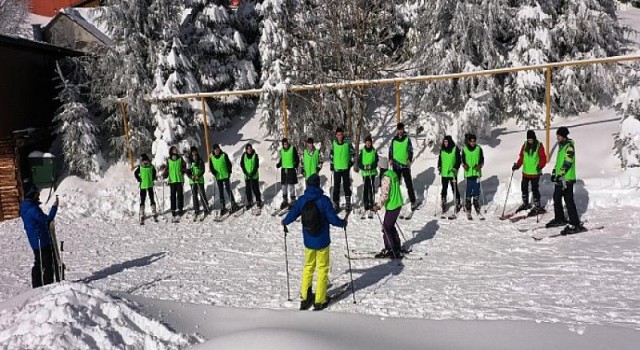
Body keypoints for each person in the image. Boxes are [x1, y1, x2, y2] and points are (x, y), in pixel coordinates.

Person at [282, 174, 347, 311]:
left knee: (308, 267)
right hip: (322, 241)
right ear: (318, 185)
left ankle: (305, 298)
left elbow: (293, 213)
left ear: (307, 185)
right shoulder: (324, 200)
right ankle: (320, 300)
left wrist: (285, 222)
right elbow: (333, 219)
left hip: (308, 241)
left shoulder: (302, 200)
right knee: (322, 269)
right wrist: (343, 223)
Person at [546, 127, 585, 233]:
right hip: (561, 178)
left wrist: (561, 174)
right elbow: (558, 163)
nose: (557, 138)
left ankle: (575, 223)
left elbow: (567, 163)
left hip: (567, 179)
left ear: (563, 136)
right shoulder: (561, 147)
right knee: (556, 197)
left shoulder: (569, 147)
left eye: (558, 136)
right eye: (557, 136)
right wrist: (554, 173)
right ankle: (560, 219)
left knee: (568, 200)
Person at [19, 186, 59, 288]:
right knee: (46, 264)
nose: (38, 196)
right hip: (41, 240)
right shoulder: (33, 209)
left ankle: (38, 285)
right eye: (37, 195)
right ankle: (47, 285)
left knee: (39, 262)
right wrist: (54, 207)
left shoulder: (25, 207)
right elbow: (47, 219)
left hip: (35, 240)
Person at [372, 157, 404, 258]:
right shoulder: (392, 173)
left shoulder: (386, 177)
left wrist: (377, 206)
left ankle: (390, 248)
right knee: (390, 225)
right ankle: (396, 245)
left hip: (392, 205)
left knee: (386, 227)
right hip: (397, 203)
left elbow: (385, 194)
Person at [512, 130, 547, 214]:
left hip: (535, 172)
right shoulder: (525, 145)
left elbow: (543, 158)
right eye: (529, 140)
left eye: (531, 140)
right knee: (524, 187)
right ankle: (525, 204)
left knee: (535, 189)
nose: (530, 141)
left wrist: (540, 166)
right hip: (526, 172)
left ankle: (537, 206)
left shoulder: (539, 145)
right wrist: (517, 165)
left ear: (534, 138)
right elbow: (521, 157)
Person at [389, 123, 417, 210]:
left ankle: (413, 201)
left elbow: (410, 151)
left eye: (401, 129)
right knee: (395, 184)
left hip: (405, 165)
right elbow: (390, 150)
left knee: (408, 184)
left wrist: (409, 158)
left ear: (403, 129)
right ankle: (396, 201)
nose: (400, 131)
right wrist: (390, 158)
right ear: (397, 130)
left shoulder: (407, 139)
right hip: (396, 165)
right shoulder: (394, 140)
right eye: (399, 129)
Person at [330, 127, 355, 212]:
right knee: (336, 187)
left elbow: (353, 153)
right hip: (337, 168)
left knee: (346, 186)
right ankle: (336, 204)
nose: (340, 136)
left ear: (343, 134)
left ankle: (348, 204)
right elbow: (331, 154)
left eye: (341, 134)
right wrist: (331, 164)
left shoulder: (347, 142)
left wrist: (351, 162)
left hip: (345, 168)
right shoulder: (334, 143)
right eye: (338, 135)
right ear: (336, 135)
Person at [209, 144, 239, 214]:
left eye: (218, 149)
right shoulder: (211, 157)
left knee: (228, 189)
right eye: (216, 150)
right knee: (221, 191)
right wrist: (214, 173)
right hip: (218, 177)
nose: (217, 151)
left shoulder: (224, 155)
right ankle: (223, 206)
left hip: (225, 175)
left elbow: (229, 164)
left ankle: (233, 204)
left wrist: (229, 171)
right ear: (214, 150)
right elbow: (211, 167)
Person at [461, 133, 484, 217]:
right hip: (468, 173)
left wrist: (480, 165)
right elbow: (462, 160)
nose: (473, 143)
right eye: (471, 141)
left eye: (474, 141)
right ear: (468, 141)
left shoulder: (479, 149)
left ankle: (475, 202)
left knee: (476, 188)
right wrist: (464, 165)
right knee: (468, 188)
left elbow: (482, 159)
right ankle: (468, 203)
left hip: (476, 172)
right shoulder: (464, 149)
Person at [437, 135, 462, 213]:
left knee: (454, 188)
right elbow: (440, 160)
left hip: (452, 173)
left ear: (450, 141)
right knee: (444, 188)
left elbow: (458, 160)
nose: (445, 143)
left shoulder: (455, 149)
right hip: (444, 173)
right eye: (444, 141)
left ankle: (457, 202)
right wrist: (439, 166)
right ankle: (443, 201)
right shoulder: (442, 150)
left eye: (447, 141)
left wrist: (455, 167)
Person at [163, 146, 186, 222]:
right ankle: (173, 210)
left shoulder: (180, 158)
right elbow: (167, 168)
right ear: (171, 151)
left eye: (176, 149)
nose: (175, 150)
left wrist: (182, 171)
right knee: (172, 196)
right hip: (172, 180)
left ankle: (180, 209)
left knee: (180, 195)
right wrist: (165, 175)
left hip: (179, 180)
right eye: (173, 150)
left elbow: (184, 166)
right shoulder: (169, 160)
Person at [276, 138, 300, 209]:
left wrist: (295, 165)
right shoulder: (282, 150)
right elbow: (282, 159)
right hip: (284, 170)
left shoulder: (292, 148)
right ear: (282, 144)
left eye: (286, 143)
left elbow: (296, 158)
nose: (285, 145)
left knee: (291, 185)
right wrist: (279, 164)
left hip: (291, 169)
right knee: (284, 186)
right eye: (284, 144)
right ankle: (285, 200)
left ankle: (293, 200)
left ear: (288, 143)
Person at [134, 153, 158, 224]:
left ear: (148, 160)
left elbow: (154, 172)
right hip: (143, 185)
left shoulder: (151, 166)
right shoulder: (140, 167)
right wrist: (139, 179)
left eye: (146, 160)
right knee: (142, 199)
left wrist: (153, 178)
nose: (145, 162)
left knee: (152, 198)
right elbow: (135, 173)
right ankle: (142, 213)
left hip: (150, 185)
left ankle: (154, 211)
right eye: (143, 160)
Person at [357, 135, 379, 212]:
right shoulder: (362, 151)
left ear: (371, 143)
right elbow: (359, 162)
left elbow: (376, 162)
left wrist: (371, 166)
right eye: (367, 143)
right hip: (365, 173)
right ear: (365, 143)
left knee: (371, 187)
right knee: (365, 187)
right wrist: (364, 167)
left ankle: (372, 203)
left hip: (372, 172)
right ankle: (366, 203)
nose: (368, 144)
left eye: (369, 143)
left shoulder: (374, 151)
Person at [187, 146, 209, 219]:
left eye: (195, 151)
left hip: (199, 180)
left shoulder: (200, 159)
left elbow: (203, 169)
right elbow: (188, 171)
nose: (194, 153)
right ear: (191, 152)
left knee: (202, 193)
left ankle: (206, 207)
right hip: (192, 181)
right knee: (194, 195)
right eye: (192, 151)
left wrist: (198, 176)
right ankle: (196, 209)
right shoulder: (189, 161)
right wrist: (191, 176)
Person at [240, 143, 263, 209]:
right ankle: (249, 201)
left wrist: (252, 174)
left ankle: (258, 200)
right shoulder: (244, 155)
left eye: (250, 148)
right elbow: (242, 165)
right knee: (248, 190)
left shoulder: (255, 155)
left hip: (254, 175)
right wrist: (246, 173)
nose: (249, 150)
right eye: (248, 149)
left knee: (255, 189)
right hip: (247, 176)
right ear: (246, 150)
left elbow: (256, 166)